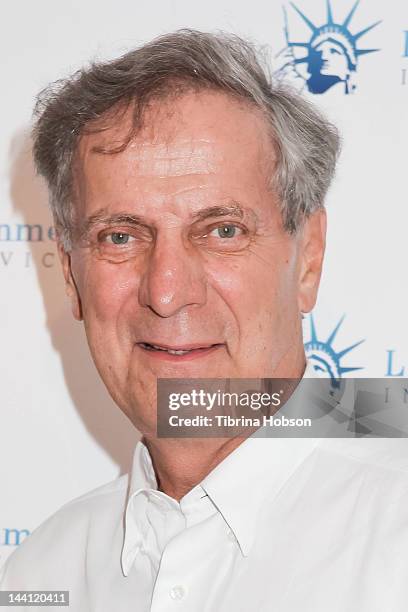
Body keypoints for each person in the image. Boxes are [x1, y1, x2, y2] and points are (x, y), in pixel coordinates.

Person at [1, 29, 408, 611]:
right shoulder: (42, 574)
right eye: (120, 236)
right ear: (70, 277)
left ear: (308, 260)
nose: (167, 293)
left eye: (222, 231)